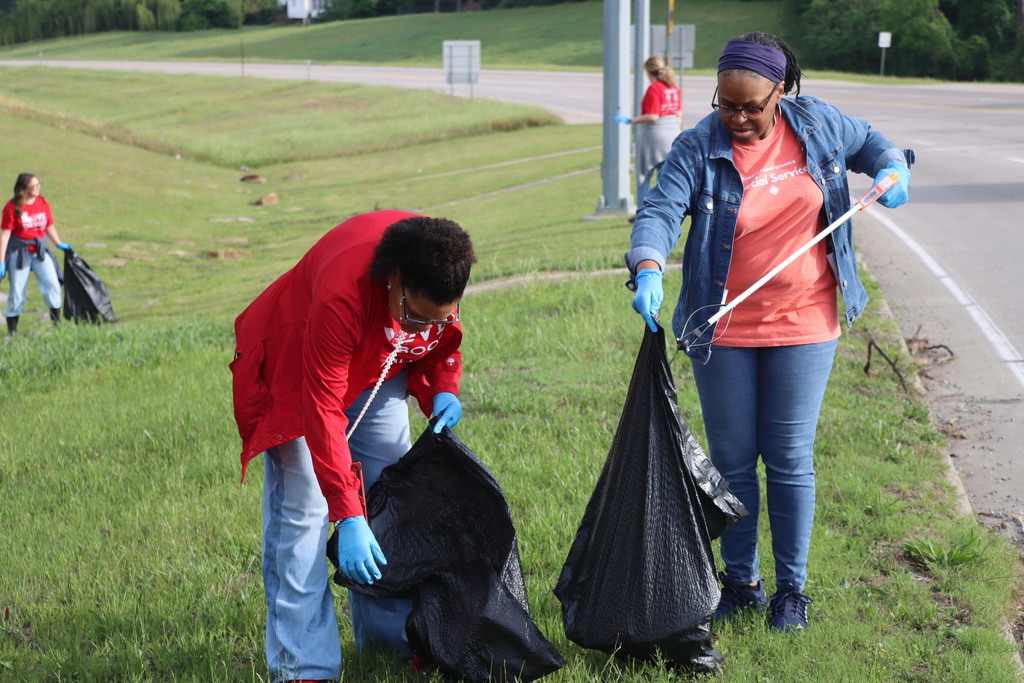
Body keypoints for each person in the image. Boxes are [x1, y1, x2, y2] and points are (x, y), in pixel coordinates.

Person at [624, 32, 911, 632]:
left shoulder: (818, 124)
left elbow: (870, 142)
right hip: (723, 324)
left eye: (752, 107)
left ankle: (792, 591)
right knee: (731, 461)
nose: (737, 117)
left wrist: (888, 167)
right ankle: (741, 582)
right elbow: (659, 209)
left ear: (781, 92)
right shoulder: (699, 147)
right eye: (725, 105)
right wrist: (648, 265)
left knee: (787, 456)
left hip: (807, 318)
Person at [230, 210, 476, 682]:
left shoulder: (437, 266)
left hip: (377, 361)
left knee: (388, 494)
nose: (424, 329)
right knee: (301, 515)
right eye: (415, 316)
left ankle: (389, 641)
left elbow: (435, 338)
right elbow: (322, 408)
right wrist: (347, 514)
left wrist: (441, 384)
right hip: (301, 368)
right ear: (395, 278)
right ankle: (304, 668)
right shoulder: (343, 294)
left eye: (436, 320)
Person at [1, 173, 73, 336]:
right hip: (19, 252)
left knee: (53, 284)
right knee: (18, 291)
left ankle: (57, 326)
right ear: (23, 189)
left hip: (40, 250)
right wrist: (1, 261)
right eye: (34, 186)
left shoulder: (42, 203)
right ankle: (12, 333)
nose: (37, 188)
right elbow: (5, 235)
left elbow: (49, 225)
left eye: (38, 185)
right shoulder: (12, 208)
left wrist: (58, 243)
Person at [615, 56, 683, 209]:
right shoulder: (673, 88)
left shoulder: (654, 88)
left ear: (648, 71)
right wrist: (673, 131)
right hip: (673, 134)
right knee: (667, 177)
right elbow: (679, 113)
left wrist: (630, 120)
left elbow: (653, 116)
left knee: (644, 174)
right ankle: (667, 209)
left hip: (653, 137)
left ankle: (642, 210)